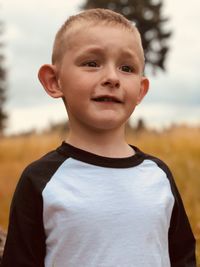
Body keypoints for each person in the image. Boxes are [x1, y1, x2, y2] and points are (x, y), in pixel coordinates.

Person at [1, 8, 196, 267]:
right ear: (54, 81)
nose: (112, 78)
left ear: (141, 90)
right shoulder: (39, 181)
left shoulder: (159, 176)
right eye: (92, 63)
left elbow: (182, 257)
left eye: (126, 68)